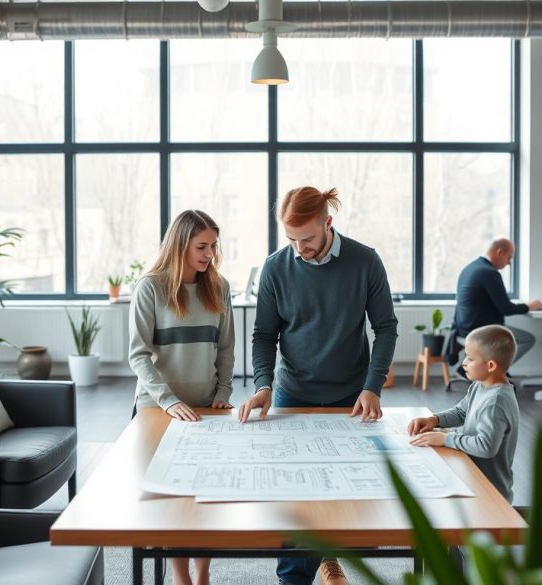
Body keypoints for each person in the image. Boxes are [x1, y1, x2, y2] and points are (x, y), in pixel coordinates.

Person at [237, 186, 399, 585]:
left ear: (329, 223)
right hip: (294, 392)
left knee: (343, 488)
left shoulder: (365, 261)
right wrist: (262, 385)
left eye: (307, 238)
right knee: (296, 493)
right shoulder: (276, 267)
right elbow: (263, 335)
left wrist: (373, 386)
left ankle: (331, 555)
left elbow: (386, 328)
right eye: (291, 239)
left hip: (352, 394)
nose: (299, 248)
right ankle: (293, 578)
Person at [128, 209, 234, 585]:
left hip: (206, 408)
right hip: (158, 409)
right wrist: (168, 401)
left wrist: (222, 393)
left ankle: (202, 575)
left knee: (205, 497)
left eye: (213, 246)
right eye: (201, 246)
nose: (209, 254)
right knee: (171, 502)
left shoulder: (218, 287)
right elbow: (138, 354)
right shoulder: (150, 287)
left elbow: (225, 349)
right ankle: (180, 577)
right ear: (180, 245)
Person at [407, 324, 520, 502]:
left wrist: (445, 439)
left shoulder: (495, 401)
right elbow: (461, 412)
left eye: (470, 358)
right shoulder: (480, 385)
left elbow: (485, 447)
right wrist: (435, 420)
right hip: (473, 480)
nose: (464, 362)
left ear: (490, 365)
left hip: (490, 492)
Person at [452, 238, 542, 373]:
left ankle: (478, 369)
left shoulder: (470, 268)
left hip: (463, 329)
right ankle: (494, 373)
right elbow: (506, 308)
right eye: (509, 257)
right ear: (500, 252)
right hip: (481, 331)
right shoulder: (489, 273)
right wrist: (529, 306)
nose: (509, 263)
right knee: (527, 340)